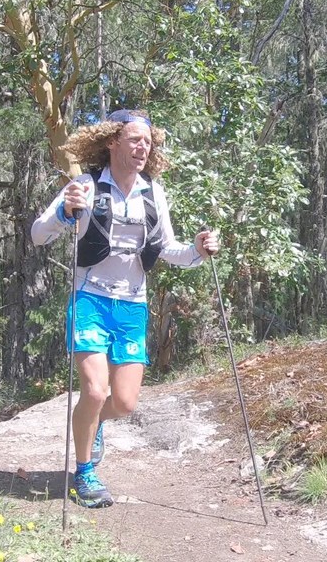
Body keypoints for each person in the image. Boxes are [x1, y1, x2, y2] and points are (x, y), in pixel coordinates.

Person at [31, 109, 219, 508]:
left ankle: (92, 424)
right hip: (90, 299)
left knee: (125, 402)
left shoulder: (153, 191)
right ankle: (85, 474)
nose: (142, 147)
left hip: (132, 304)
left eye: (147, 142)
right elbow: (38, 234)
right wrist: (66, 213)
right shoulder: (85, 185)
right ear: (113, 142)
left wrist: (198, 251)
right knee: (95, 391)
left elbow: (169, 249)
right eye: (134, 139)